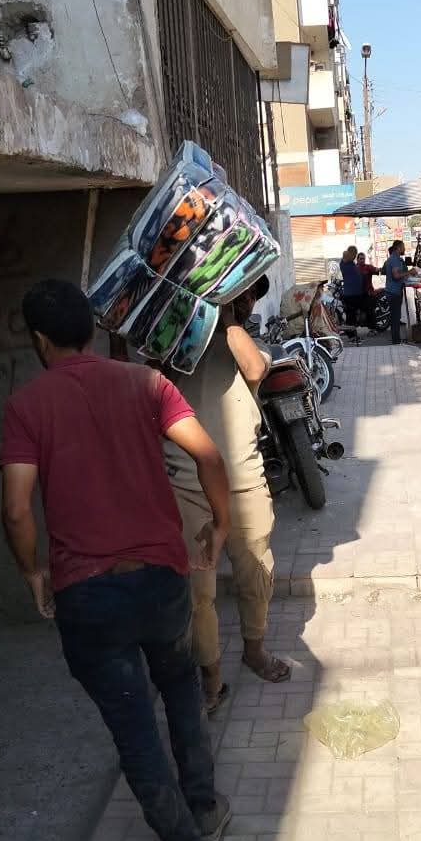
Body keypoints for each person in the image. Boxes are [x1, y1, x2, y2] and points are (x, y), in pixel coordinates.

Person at [0, 279, 232, 841]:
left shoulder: (26, 406)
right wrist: (220, 524)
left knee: (134, 727)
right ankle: (205, 808)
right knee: (180, 688)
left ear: (40, 341)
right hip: (162, 580)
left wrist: (32, 572)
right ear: (93, 329)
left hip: (89, 596)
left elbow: (17, 510)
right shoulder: (147, 384)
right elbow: (209, 457)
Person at [165, 275, 290, 718]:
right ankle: (211, 677)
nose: (247, 299)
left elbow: (255, 370)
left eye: (251, 294)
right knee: (198, 592)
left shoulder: (245, 344)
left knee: (255, 572)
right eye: (241, 292)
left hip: (244, 482)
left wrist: (226, 316)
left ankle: (254, 650)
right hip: (187, 485)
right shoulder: (176, 343)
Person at [383, 239, 408, 345]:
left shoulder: (394, 259)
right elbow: (396, 276)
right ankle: (396, 341)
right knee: (395, 317)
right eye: (403, 247)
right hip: (393, 292)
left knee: (396, 317)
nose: (404, 249)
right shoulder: (395, 259)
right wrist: (409, 272)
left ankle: (396, 339)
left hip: (393, 291)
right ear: (398, 248)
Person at [339, 245, 364, 330]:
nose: (354, 256)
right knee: (351, 316)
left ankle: (352, 332)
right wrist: (350, 253)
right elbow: (345, 254)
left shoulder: (352, 263)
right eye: (354, 254)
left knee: (354, 315)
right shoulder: (344, 263)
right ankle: (351, 335)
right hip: (350, 294)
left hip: (356, 294)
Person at [356, 251, 380, 329]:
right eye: (360, 259)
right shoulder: (354, 268)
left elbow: (376, 270)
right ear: (357, 259)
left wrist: (378, 269)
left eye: (363, 259)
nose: (362, 260)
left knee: (370, 310)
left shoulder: (368, 267)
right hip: (358, 293)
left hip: (368, 292)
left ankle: (373, 329)